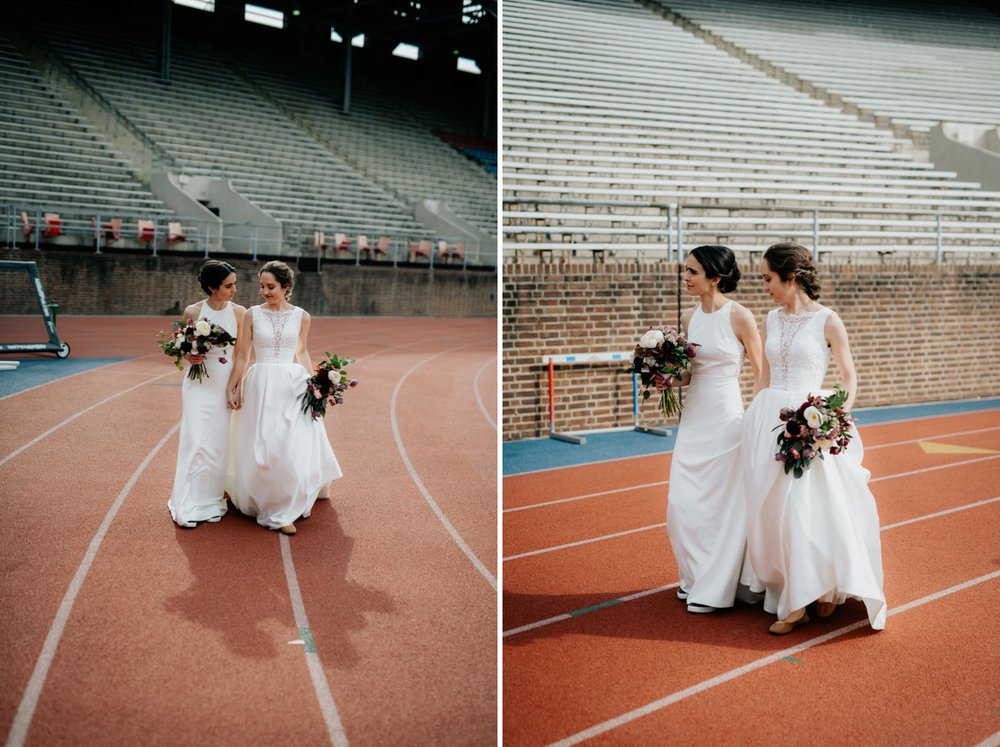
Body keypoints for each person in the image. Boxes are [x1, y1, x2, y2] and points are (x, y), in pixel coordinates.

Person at [740, 243, 886, 634]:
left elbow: (849, 376)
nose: (764, 286)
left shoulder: (828, 320)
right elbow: (765, 376)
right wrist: (752, 412)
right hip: (771, 419)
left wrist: (832, 417)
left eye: (768, 278)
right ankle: (793, 591)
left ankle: (813, 594)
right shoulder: (770, 318)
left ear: (791, 277)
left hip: (812, 419)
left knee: (805, 508)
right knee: (772, 510)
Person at [654, 245, 763, 613]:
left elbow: (761, 372)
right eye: (685, 270)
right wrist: (669, 379)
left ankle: (717, 586)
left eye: (692, 272)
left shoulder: (741, 317)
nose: (685, 277)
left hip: (727, 418)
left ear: (715, 279)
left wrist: (758, 416)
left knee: (723, 504)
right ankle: (694, 577)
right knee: (682, 504)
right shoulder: (689, 317)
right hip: (695, 417)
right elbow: (690, 372)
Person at [226, 260, 342, 535]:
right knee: (264, 445)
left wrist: (317, 385)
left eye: (271, 286)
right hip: (261, 384)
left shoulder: (302, 316)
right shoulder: (251, 315)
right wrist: (234, 386)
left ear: (286, 287)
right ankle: (264, 499)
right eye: (262, 286)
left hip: (294, 385)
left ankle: (285, 506)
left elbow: (301, 352)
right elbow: (242, 355)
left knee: (290, 444)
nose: (264, 291)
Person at [168, 260, 245, 528]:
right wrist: (191, 355)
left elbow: (242, 356)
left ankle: (210, 499)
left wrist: (233, 387)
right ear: (212, 287)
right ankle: (188, 501)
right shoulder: (193, 310)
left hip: (224, 383)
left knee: (216, 444)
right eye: (228, 285)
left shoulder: (240, 314)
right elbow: (183, 347)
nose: (234, 289)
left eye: (234, 284)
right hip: (197, 384)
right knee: (196, 439)